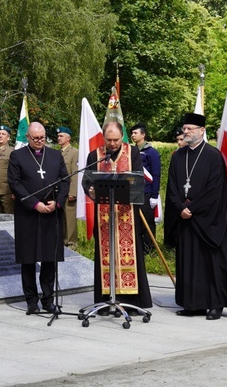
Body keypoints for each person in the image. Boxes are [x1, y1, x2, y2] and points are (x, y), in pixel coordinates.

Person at [166, 113, 227, 320]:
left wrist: (193, 208)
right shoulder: (178, 156)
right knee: (189, 263)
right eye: (184, 128)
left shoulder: (213, 156)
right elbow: (171, 186)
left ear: (202, 131)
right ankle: (193, 304)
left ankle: (215, 304)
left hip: (207, 221)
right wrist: (180, 207)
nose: (186, 131)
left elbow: (215, 189)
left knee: (211, 264)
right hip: (185, 219)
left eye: (190, 128)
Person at [82, 121, 152, 312]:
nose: (112, 144)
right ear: (103, 137)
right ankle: (106, 300)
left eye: (116, 139)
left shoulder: (133, 153)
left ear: (122, 137)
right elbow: (87, 181)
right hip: (103, 216)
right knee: (106, 255)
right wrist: (91, 190)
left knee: (130, 255)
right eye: (109, 140)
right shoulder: (95, 155)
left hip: (126, 214)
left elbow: (139, 179)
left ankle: (132, 302)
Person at [8, 122, 69, 314]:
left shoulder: (55, 155)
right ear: (28, 137)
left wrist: (57, 203)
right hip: (28, 213)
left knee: (49, 258)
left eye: (42, 137)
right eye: (35, 138)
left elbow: (65, 180)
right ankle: (31, 300)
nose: (39, 141)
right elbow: (15, 184)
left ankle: (48, 299)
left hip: (52, 213)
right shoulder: (17, 156)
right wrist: (35, 204)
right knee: (28, 258)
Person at [130, 122, 161, 254]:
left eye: (135, 133)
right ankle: (138, 247)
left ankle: (149, 248)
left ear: (143, 135)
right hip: (134, 192)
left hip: (147, 192)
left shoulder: (151, 152)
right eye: (132, 133)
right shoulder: (131, 151)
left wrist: (154, 195)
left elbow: (156, 174)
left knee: (147, 222)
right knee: (136, 221)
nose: (133, 135)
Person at [56, 126, 79, 248]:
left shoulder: (74, 153)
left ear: (68, 138)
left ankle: (71, 242)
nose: (59, 138)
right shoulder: (57, 153)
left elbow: (75, 173)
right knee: (60, 217)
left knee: (69, 218)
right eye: (58, 136)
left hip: (69, 189)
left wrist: (73, 192)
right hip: (58, 191)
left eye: (61, 136)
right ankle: (63, 240)